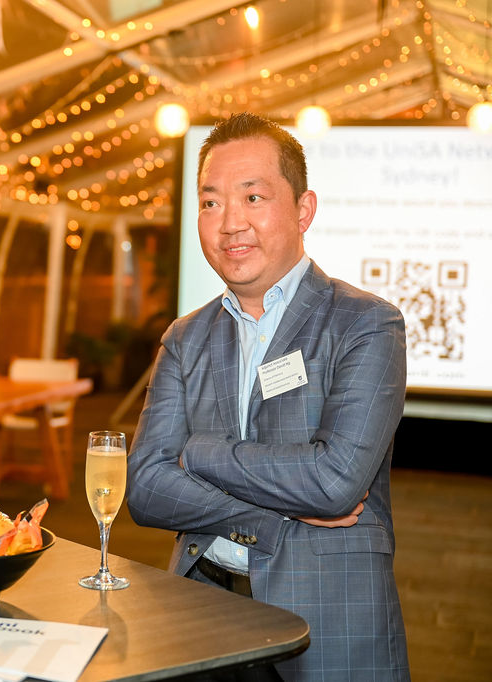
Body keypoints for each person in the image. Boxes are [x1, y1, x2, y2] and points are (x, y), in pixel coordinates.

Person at [126, 112, 409, 681]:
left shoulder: (366, 324)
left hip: (326, 616)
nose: (231, 223)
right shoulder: (185, 338)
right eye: (211, 203)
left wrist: (198, 454)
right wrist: (273, 512)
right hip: (200, 609)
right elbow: (146, 488)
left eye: (253, 197)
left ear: (303, 210)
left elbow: (333, 483)